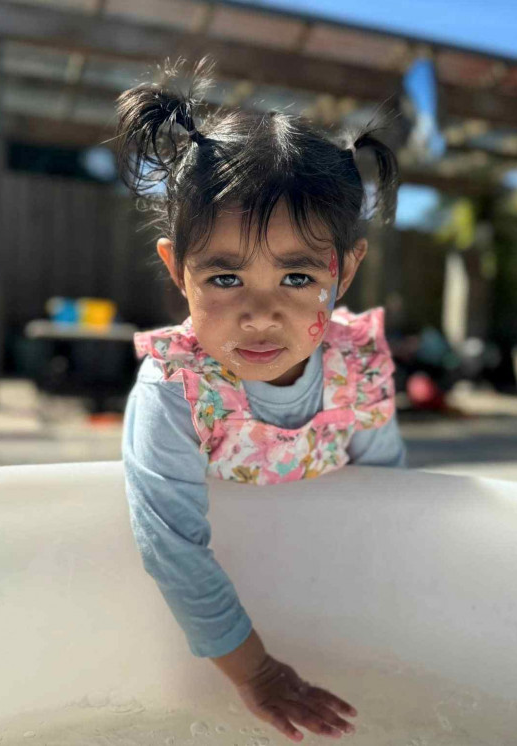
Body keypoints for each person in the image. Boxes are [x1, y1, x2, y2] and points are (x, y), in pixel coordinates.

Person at [118, 59, 407, 743]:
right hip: (219, 638)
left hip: (323, 596)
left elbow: (395, 502)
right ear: (175, 270)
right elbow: (172, 547)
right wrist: (257, 672)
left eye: (298, 275)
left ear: (347, 271)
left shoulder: (357, 367)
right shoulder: (175, 389)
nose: (259, 314)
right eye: (224, 276)